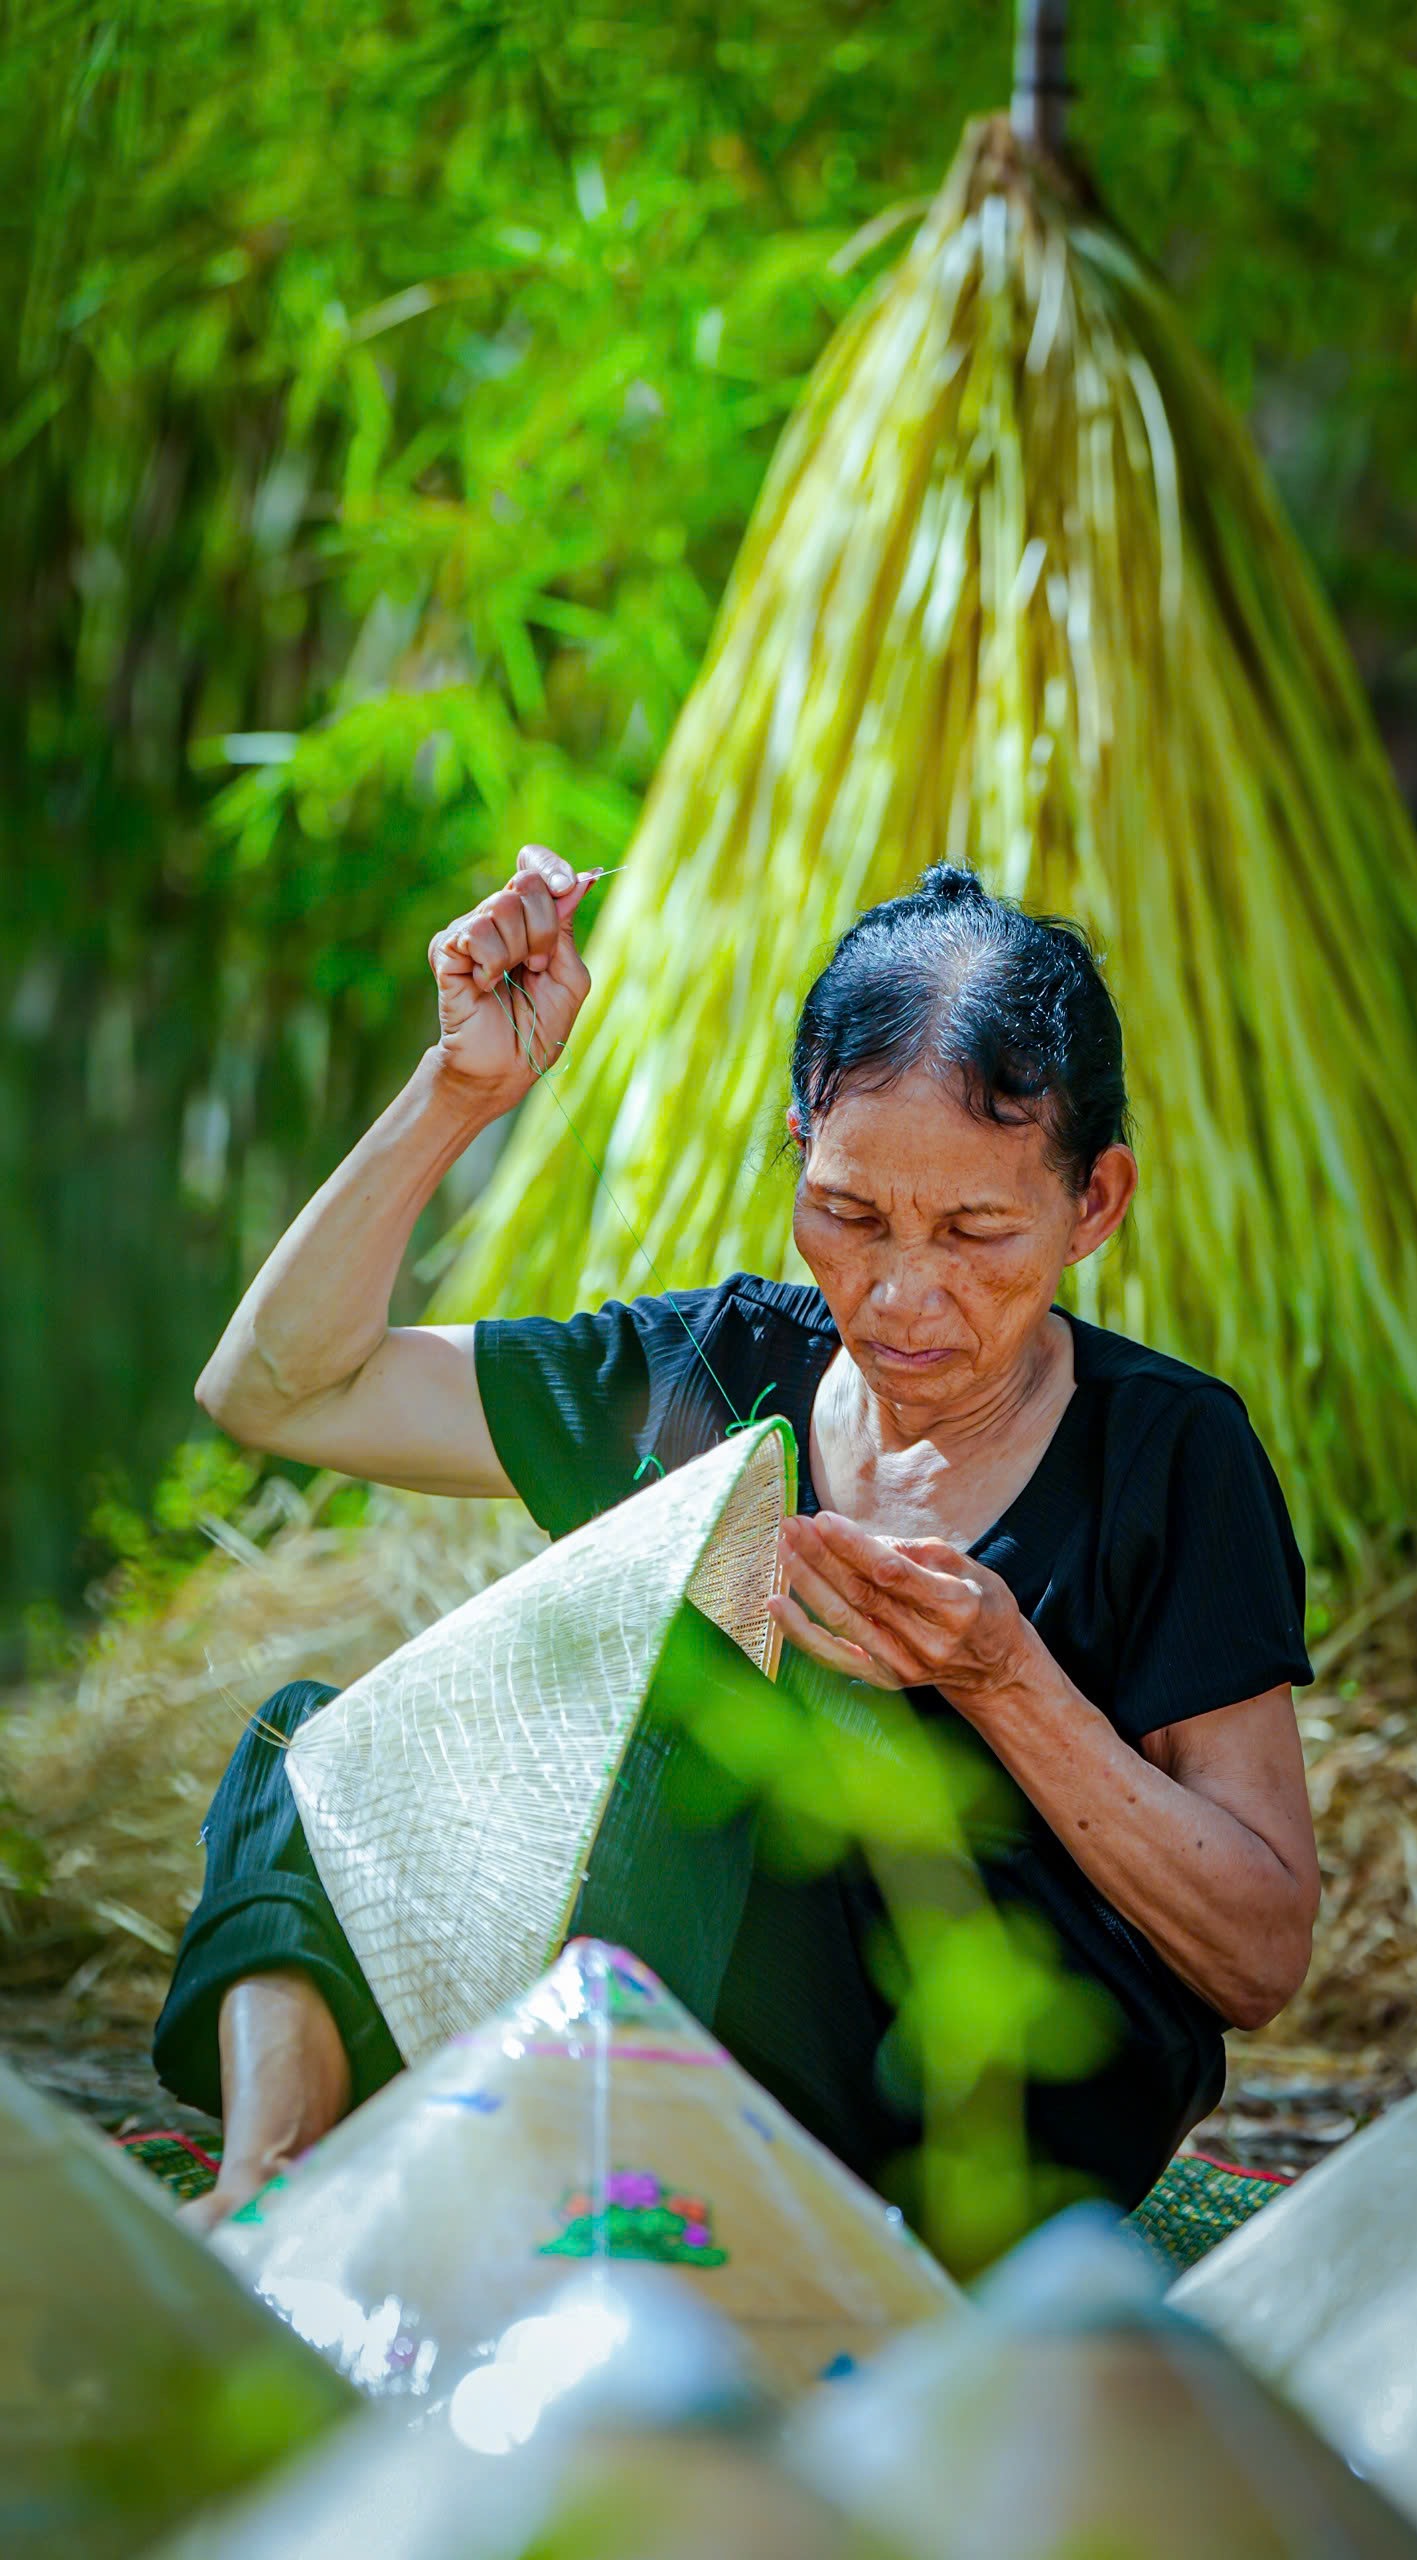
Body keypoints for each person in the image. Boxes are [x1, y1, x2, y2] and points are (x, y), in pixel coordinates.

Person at [157, 846, 1319, 2244]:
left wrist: (1004, 1683)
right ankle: (275, 2191)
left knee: (724, 1694)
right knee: (318, 1746)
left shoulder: (1167, 1456)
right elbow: (281, 1390)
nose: (900, 1292)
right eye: (847, 1211)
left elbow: (1257, 1952)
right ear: (797, 1157)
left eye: (975, 1231)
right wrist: (459, 1092)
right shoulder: (712, 1370)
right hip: (673, 2032)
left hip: (995, 2104)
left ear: (1095, 1205)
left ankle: (593, 2209)